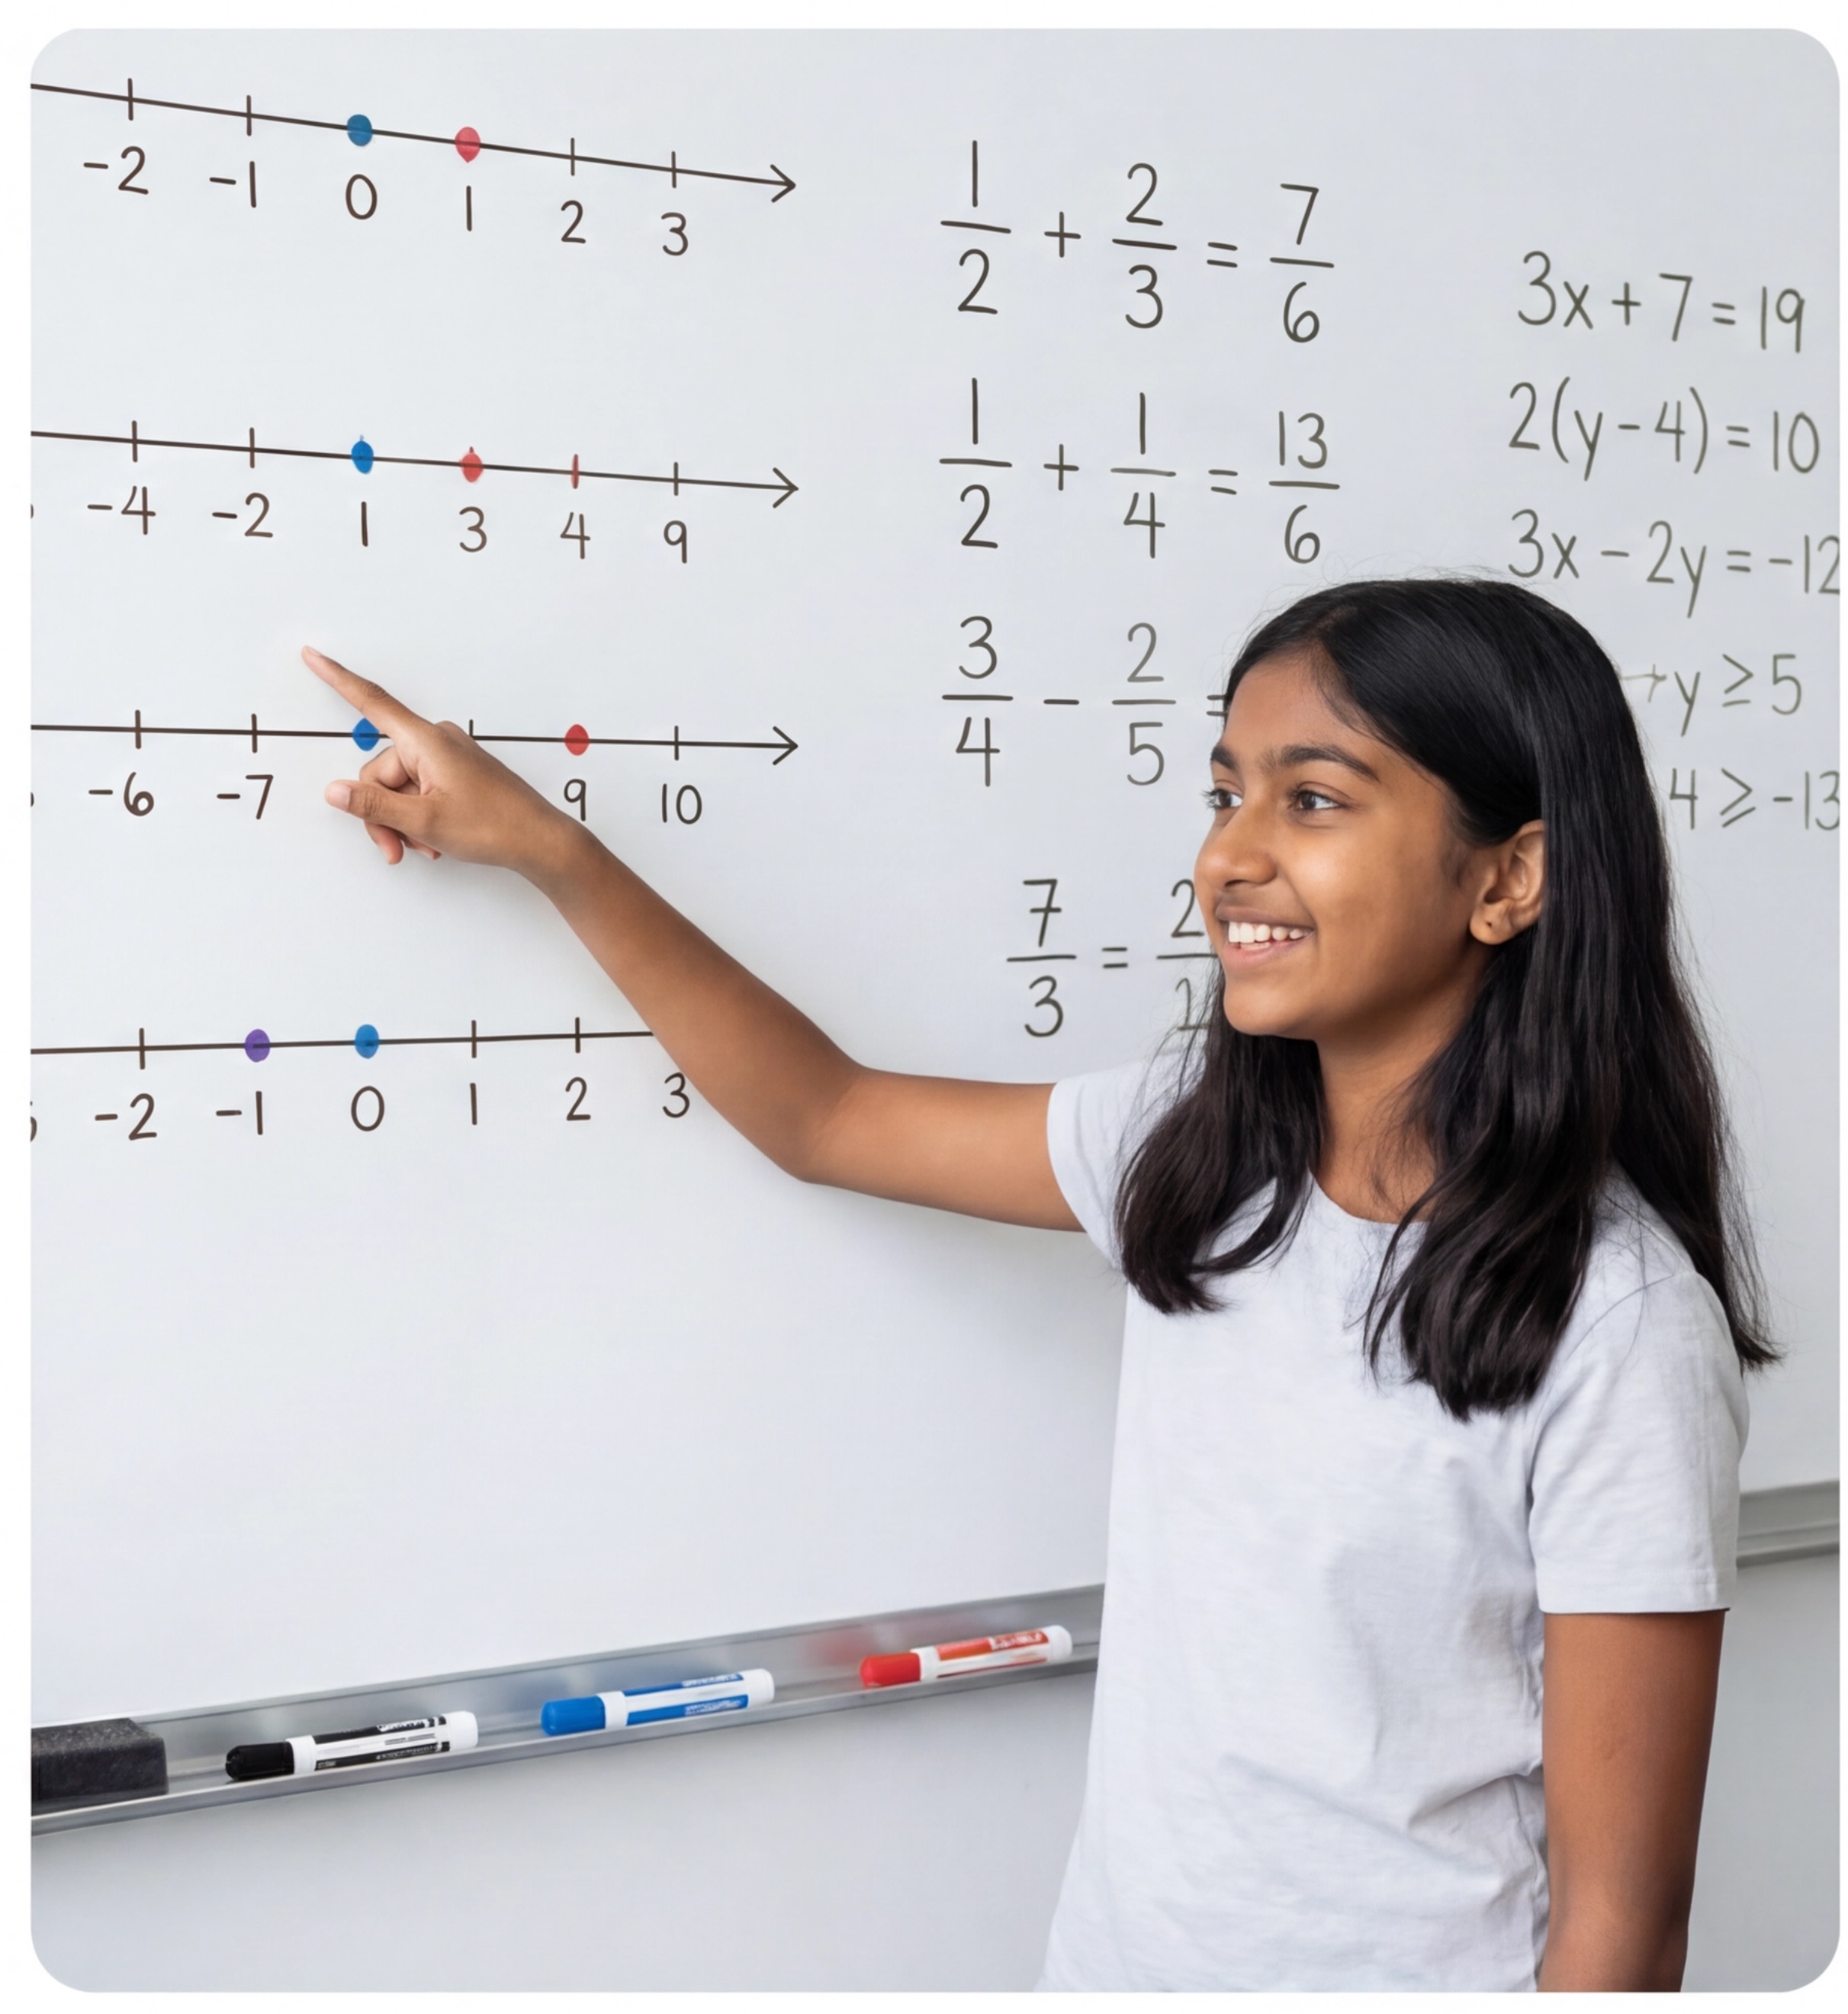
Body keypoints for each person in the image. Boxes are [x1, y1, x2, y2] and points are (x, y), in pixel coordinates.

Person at [304, 574, 1772, 1992]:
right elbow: (824, 1114)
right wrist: (551, 847)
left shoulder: (1621, 1324)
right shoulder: (1196, 1158)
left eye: (1312, 799)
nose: (1230, 855)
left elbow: (1621, 1941)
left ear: (1509, 878)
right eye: (1225, 793)